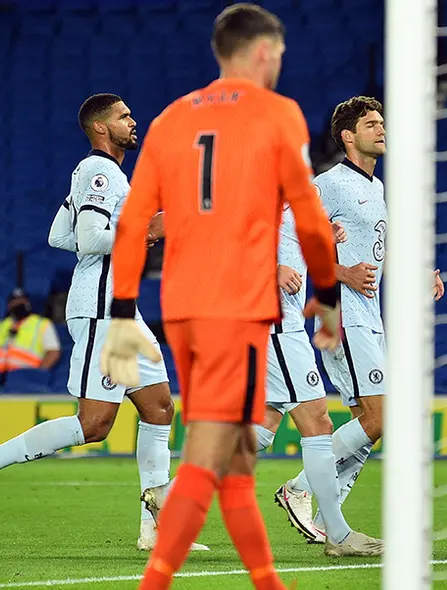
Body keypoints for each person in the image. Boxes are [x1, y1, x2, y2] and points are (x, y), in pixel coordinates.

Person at [98, 5, 347, 588]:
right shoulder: (277, 113)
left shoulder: (170, 119)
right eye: (279, 53)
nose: (281, 62)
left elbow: (134, 225)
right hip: (236, 307)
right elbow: (309, 218)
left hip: (183, 308)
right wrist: (328, 294)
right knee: (209, 457)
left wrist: (124, 313)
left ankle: (266, 580)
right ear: (261, 51)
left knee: (237, 462)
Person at [0, 94, 181, 553]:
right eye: (124, 117)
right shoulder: (100, 171)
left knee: (160, 408)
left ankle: (155, 529)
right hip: (102, 311)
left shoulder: (102, 174)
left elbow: (57, 236)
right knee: (94, 425)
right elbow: (88, 237)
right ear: (101, 127)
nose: (133, 121)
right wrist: (146, 230)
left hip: (122, 310)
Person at [270, 95, 444, 542]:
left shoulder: (375, 186)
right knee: (382, 417)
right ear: (348, 136)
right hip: (341, 315)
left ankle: (332, 524)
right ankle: (300, 488)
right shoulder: (328, 184)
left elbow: (378, 247)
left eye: (382, 122)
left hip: (369, 316)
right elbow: (292, 238)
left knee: (367, 425)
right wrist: (341, 271)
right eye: (371, 124)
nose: (382, 129)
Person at [254, 209, 381, 555]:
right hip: (276, 324)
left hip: (283, 322)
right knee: (319, 425)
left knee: (262, 428)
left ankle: (173, 496)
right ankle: (336, 533)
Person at [0, 289, 61, 371]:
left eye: (22, 301)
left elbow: (53, 352)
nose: (19, 304)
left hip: (25, 375)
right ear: (9, 306)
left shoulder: (42, 324)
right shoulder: (3, 324)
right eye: (15, 302)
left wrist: (38, 373)